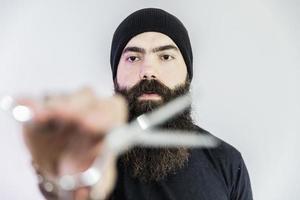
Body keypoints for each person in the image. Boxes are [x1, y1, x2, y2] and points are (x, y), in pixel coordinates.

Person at [22, 8, 253, 200]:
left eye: (165, 57)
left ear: (187, 74)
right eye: (133, 58)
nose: (148, 72)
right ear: (116, 77)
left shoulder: (227, 163)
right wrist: (64, 182)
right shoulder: (91, 156)